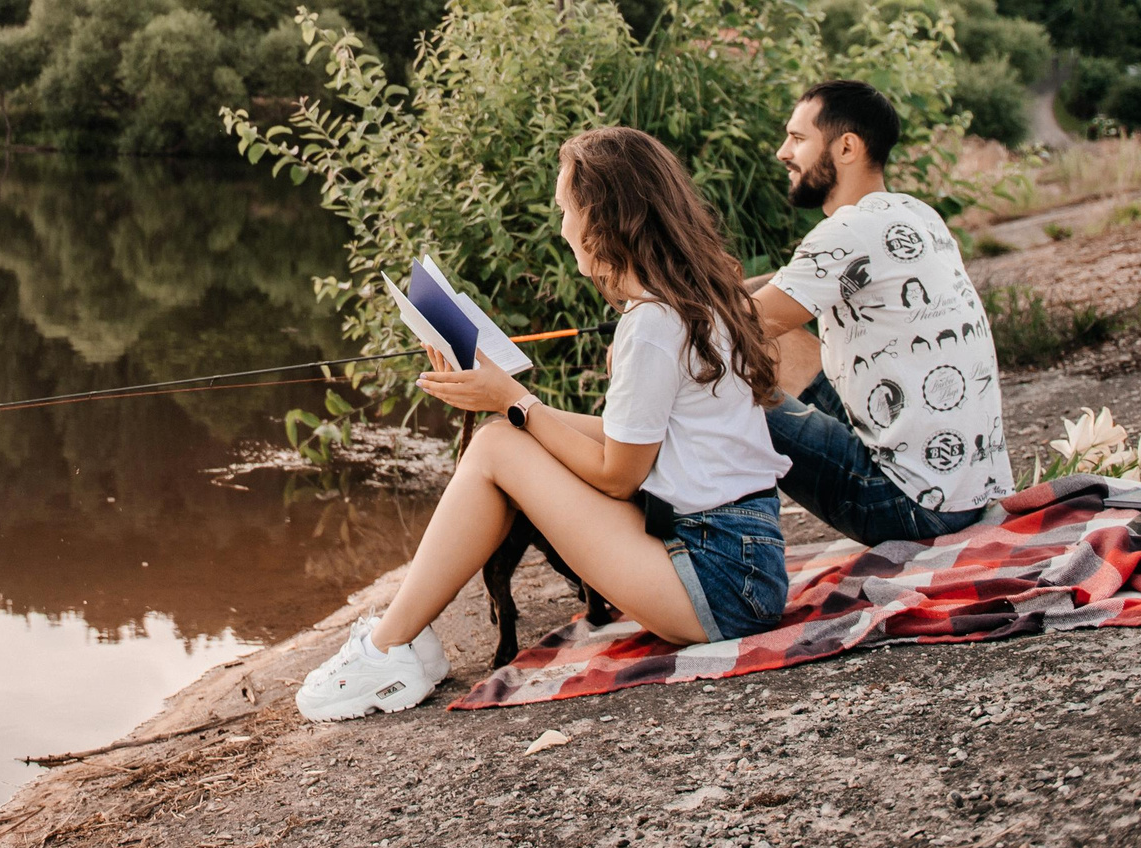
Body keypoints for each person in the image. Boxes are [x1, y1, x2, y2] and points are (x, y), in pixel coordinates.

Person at [297, 127, 792, 721]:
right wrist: (501, 397)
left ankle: (387, 649)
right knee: (501, 438)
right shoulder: (688, 302)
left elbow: (618, 476)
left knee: (495, 448)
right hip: (740, 560)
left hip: (716, 581)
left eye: (565, 209)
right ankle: (402, 641)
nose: (561, 228)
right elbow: (631, 442)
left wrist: (514, 401)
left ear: (604, 220)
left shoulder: (653, 326)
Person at [750, 80, 1013, 546]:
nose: (781, 152)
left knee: (713, 385)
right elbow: (787, 285)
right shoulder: (915, 215)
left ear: (846, 146)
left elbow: (725, 329)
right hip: (966, 494)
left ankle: (699, 556)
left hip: (909, 507)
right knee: (760, 328)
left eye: (797, 138)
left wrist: (648, 326)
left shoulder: (848, 230)